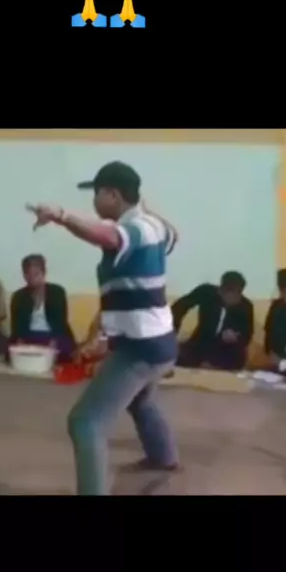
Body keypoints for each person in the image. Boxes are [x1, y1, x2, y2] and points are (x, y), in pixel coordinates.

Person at [27, 161, 180, 496]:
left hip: (140, 348)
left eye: (97, 194)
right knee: (141, 400)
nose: (94, 202)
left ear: (112, 195)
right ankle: (163, 456)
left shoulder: (136, 229)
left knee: (85, 423)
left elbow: (107, 236)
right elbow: (171, 235)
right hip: (159, 342)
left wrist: (60, 215)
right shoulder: (154, 226)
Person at [172, 272, 254, 371]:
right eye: (229, 294)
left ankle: (210, 365)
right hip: (201, 343)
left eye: (236, 295)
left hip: (227, 350)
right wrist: (172, 332)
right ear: (221, 290)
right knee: (173, 355)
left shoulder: (246, 307)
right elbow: (179, 307)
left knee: (236, 359)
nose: (232, 299)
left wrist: (236, 338)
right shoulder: (207, 292)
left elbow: (247, 335)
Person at [10, 254, 76, 361]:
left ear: (44, 273)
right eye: (28, 274)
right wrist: (20, 346)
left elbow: (60, 323)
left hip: (53, 335)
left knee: (64, 352)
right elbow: (16, 328)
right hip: (29, 337)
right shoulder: (18, 296)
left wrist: (52, 345)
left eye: (36, 274)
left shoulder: (57, 292)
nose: (32, 278)